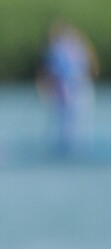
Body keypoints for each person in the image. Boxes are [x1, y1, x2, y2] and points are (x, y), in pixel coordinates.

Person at [38, 21, 100, 154]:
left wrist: (46, 88)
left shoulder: (59, 50)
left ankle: (71, 152)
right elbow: (93, 68)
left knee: (68, 127)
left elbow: (52, 74)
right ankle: (75, 151)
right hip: (79, 88)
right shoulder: (80, 47)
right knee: (77, 127)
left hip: (68, 90)